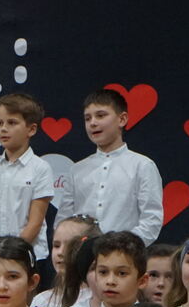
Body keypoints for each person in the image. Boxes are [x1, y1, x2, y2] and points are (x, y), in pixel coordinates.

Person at [65, 88, 164, 244]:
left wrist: (121, 247)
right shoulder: (77, 170)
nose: (93, 123)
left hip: (125, 253)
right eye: (87, 118)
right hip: (81, 254)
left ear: (122, 119)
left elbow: (151, 220)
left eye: (100, 115)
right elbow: (64, 220)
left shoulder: (142, 166)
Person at [0, 93, 55, 261]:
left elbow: (35, 222)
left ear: (31, 129)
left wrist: (11, 254)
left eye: (11, 123)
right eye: (0, 123)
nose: (3, 129)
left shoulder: (40, 168)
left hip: (29, 256)